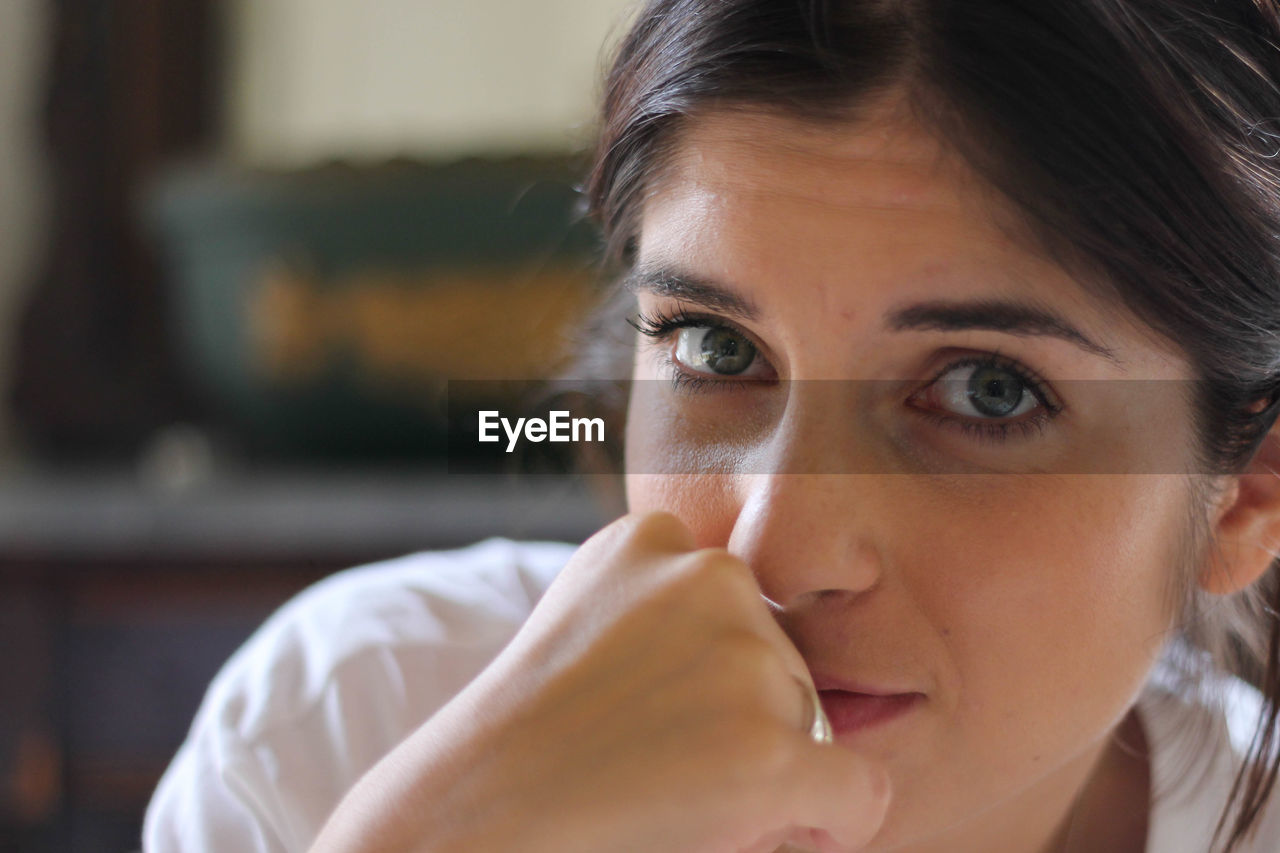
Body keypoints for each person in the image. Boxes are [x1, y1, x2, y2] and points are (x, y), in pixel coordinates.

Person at [144, 1, 1280, 850]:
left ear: (1245, 488)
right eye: (714, 348)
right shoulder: (345, 725)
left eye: (985, 390)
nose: (773, 550)